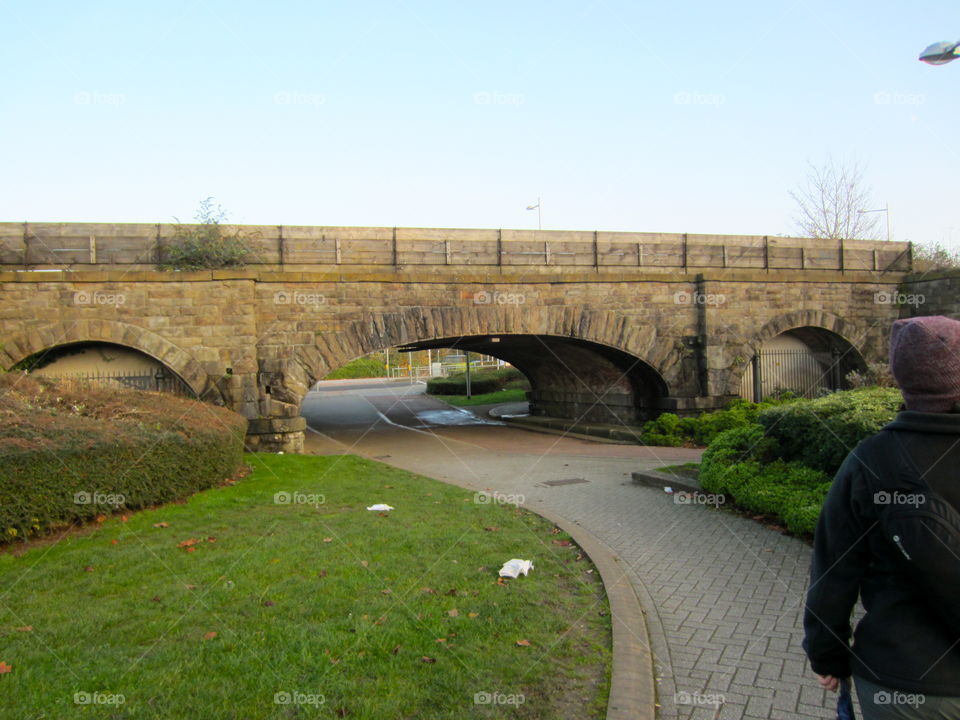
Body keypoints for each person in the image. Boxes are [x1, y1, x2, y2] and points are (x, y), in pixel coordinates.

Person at [803, 315, 960, 719]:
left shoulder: (871, 460)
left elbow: (834, 572)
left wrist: (826, 654)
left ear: (900, 378)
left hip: (899, 678)